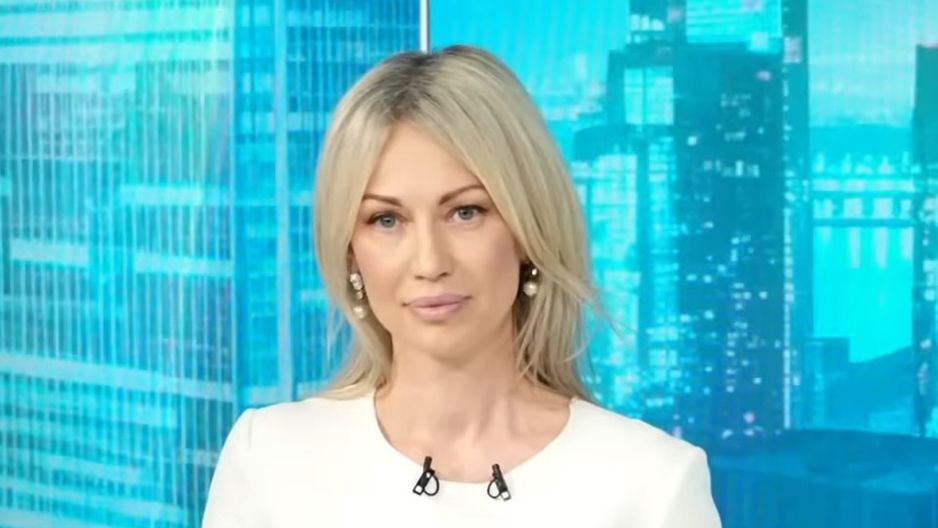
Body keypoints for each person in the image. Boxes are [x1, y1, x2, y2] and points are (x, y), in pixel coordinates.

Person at [202, 44, 722, 528]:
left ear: (527, 229)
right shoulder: (268, 458)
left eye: (466, 212)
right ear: (349, 250)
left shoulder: (653, 484)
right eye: (386, 220)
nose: (430, 262)